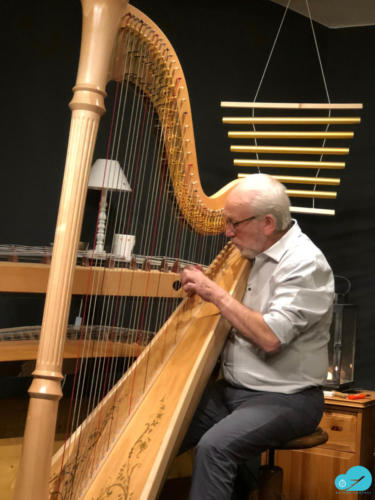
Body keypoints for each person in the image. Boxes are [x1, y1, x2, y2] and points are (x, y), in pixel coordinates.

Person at [180, 173, 334, 500]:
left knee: (215, 447)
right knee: (163, 422)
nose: (227, 232)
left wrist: (216, 294)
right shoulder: (253, 252)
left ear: (267, 223)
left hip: (288, 398)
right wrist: (203, 286)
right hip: (233, 392)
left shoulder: (305, 264)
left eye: (235, 223)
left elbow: (269, 337)